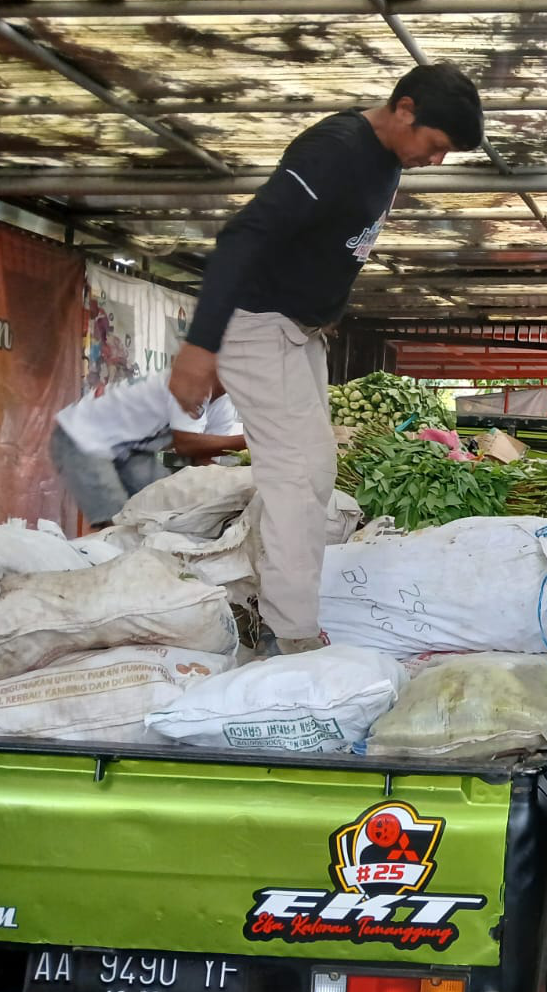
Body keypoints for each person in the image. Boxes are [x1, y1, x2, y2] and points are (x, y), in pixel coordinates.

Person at [166, 64, 484, 655]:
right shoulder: (333, 152)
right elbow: (243, 237)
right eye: (436, 147)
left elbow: (329, 244)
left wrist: (327, 302)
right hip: (257, 326)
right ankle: (293, 636)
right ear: (406, 110)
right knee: (296, 480)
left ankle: (262, 598)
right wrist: (201, 344)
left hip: (299, 330)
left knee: (314, 476)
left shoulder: (387, 158)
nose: (435, 162)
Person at [51, 370, 246, 528]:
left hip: (130, 451)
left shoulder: (224, 407)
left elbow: (203, 460)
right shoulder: (190, 384)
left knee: (155, 510)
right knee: (118, 525)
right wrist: (252, 441)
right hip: (81, 436)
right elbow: (186, 444)